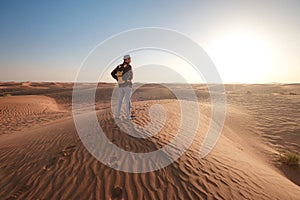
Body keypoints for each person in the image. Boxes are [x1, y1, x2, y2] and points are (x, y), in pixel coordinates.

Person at [111, 54, 133, 120]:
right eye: (129, 59)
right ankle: (128, 116)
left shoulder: (119, 66)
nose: (130, 60)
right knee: (127, 101)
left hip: (120, 86)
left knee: (119, 101)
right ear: (126, 59)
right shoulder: (129, 66)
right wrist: (126, 80)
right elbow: (131, 76)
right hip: (127, 86)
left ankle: (117, 115)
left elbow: (112, 73)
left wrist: (118, 79)